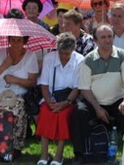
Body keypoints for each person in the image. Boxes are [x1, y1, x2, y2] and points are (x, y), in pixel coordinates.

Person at [70, 24, 124, 164]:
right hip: (94, 101)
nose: (107, 40)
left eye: (110, 37)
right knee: (78, 113)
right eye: (103, 37)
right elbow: (84, 88)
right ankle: (79, 154)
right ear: (95, 40)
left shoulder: (122, 55)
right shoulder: (88, 60)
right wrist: (97, 108)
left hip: (117, 100)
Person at [0, 33, 39, 158]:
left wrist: (15, 80)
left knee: (14, 111)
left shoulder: (30, 56)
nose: (15, 43)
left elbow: (32, 82)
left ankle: (14, 147)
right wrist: (3, 66)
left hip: (19, 94)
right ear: (8, 40)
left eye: (19, 40)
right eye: (12, 40)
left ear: (24, 41)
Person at [36, 32, 84, 165]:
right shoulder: (49, 58)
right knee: (45, 112)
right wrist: (48, 101)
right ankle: (44, 154)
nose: (63, 56)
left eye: (66, 54)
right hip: (51, 98)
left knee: (62, 115)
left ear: (72, 50)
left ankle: (59, 154)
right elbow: (44, 84)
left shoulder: (80, 60)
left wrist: (66, 103)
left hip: (69, 99)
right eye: (61, 53)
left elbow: (77, 88)